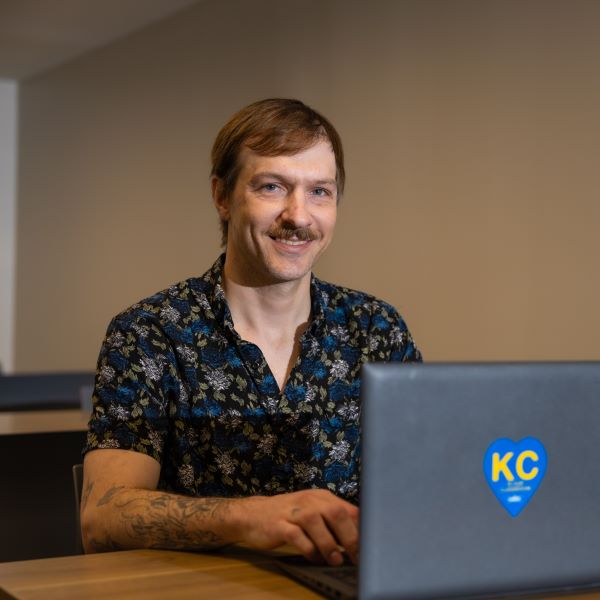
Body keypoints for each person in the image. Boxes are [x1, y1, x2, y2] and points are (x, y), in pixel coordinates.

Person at [81, 98, 421, 566]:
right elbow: (102, 519)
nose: (299, 216)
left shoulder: (376, 328)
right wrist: (249, 518)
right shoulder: (149, 333)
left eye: (320, 191)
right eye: (272, 187)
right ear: (223, 196)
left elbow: (425, 483)